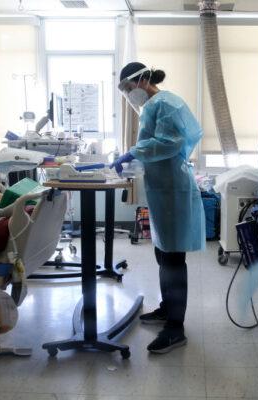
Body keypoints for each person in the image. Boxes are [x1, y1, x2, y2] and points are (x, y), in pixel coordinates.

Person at [111, 62, 205, 354]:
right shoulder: (153, 106)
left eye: (128, 88)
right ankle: (167, 309)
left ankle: (176, 328)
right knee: (162, 253)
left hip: (173, 189)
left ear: (141, 81)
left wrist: (132, 152)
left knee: (173, 259)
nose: (128, 95)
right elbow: (158, 144)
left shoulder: (166, 102)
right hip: (163, 189)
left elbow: (169, 142)